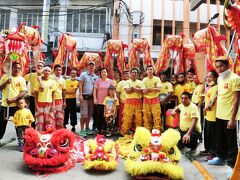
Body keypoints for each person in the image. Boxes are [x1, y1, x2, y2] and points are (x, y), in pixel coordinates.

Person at [208, 57, 240, 179]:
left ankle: (232, 167)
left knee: (231, 142)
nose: (219, 69)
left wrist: (232, 119)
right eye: (217, 66)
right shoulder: (220, 78)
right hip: (219, 114)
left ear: (228, 65)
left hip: (230, 116)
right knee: (220, 139)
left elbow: (237, 99)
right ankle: (221, 158)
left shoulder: (235, 78)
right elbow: (218, 93)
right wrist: (211, 102)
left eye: (221, 66)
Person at [0, 61, 27, 141]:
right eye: (15, 67)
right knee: (1, 124)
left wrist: (14, 99)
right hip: (5, 105)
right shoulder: (5, 77)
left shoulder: (21, 79)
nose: (17, 69)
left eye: (19, 68)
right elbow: (0, 88)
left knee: (19, 124)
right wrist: (6, 82)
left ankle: (21, 141)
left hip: (17, 105)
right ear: (12, 68)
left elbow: (23, 92)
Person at [199, 70, 218, 160]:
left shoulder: (216, 88)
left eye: (210, 77)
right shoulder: (209, 87)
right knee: (206, 133)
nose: (208, 78)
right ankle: (207, 149)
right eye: (207, 77)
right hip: (207, 115)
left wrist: (205, 108)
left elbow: (212, 101)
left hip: (213, 114)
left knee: (212, 135)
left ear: (215, 78)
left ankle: (213, 153)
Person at [121, 68, 143, 135]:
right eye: (133, 72)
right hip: (129, 102)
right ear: (130, 74)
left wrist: (132, 88)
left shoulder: (140, 82)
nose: (134, 73)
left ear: (137, 74)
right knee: (127, 118)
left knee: (138, 119)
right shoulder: (127, 82)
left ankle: (138, 133)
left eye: (136, 72)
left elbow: (141, 91)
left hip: (138, 102)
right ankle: (125, 132)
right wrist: (136, 89)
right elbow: (127, 91)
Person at [79, 61, 98, 137]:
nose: (91, 67)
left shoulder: (96, 77)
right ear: (87, 67)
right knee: (84, 114)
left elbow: (95, 89)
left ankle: (87, 128)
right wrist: (80, 95)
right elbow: (80, 85)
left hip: (91, 98)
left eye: (92, 65)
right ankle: (81, 129)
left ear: (94, 67)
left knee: (89, 114)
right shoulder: (83, 74)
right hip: (84, 97)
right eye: (90, 65)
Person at [34, 66, 56, 131]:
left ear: (50, 73)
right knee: (40, 123)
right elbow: (36, 94)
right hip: (40, 104)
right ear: (43, 72)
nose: (47, 72)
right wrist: (36, 105)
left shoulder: (52, 82)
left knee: (49, 123)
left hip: (49, 104)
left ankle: (48, 138)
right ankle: (40, 138)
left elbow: (53, 95)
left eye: (48, 71)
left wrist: (53, 105)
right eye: (45, 70)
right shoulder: (38, 81)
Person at [24, 61, 44, 127]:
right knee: (32, 113)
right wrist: (27, 69)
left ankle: (41, 128)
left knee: (41, 114)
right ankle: (33, 127)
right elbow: (23, 77)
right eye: (38, 65)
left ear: (43, 67)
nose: (39, 67)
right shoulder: (31, 75)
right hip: (32, 97)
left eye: (41, 66)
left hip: (42, 98)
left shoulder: (46, 75)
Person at [93, 68, 113, 134]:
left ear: (107, 73)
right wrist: (95, 99)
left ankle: (105, 129)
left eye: (105, 72)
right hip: (99, 101)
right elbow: (95, 90)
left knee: (107, 116)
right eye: (102, 72)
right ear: (100, 74)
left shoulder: (110, 81)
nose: (103, 73)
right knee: (99, 115)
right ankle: (99, 129)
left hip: (108, 102)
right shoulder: (97, 81)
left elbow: (113, 91)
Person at [142, 65, 162, 131]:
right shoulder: (144, 80)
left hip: (155, 99)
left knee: (157, 116)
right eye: (148, 69)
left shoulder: (157, 79)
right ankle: (147, 131)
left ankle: (157, 131)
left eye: (151, 69)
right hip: (146, 100)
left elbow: (158, 89)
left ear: (153, 71)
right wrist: (153, 89)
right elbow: (144, 91)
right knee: (146, 116)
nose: (150, 70)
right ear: (146, 71)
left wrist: (149, 89)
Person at [50, 64, 66, 130]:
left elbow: (64, 92)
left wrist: (64, 102)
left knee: (60, 118)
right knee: (51, 118)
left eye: (59, 70)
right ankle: (52, 132)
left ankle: (59, 133)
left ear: (61, 71)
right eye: (56, 70)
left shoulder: (63, 80)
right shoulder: (50, 78)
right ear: (54, 71)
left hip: (59, 100)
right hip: (50, 100)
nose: (58, 71)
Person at [64, 68, 79, 132]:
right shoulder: (66, 81)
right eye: (72, 73)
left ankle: (73, 126)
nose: (73, 74)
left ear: (76, 74)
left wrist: (66, 91)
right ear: (70, 74)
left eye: (74, 73)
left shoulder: (77, 82)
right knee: (65, 113)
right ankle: (64, 125)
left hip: (73, 99)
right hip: (65, 99)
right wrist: (66, 91)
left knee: (73, 113)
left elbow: (73, 91)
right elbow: (63, 90)